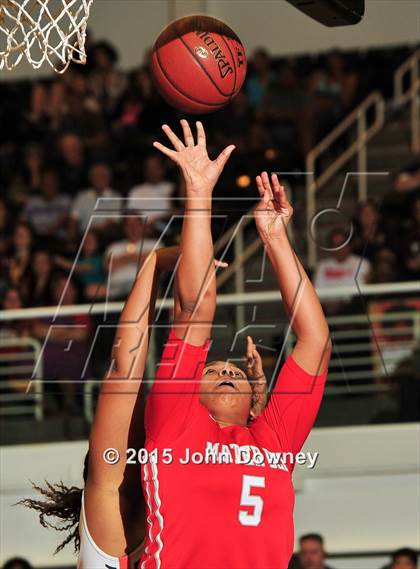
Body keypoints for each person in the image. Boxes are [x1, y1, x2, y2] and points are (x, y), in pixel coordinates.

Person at [136, 120, 330, 568]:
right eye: (214, 370)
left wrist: (275, 239)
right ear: (191, 393)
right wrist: (199, 194)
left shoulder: (274, 438)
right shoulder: (175, 426)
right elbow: (194, 308)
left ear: (252, 396)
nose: (225, 371)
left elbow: (315, 340)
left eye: (235, 372)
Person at [313, 227, 371, 314]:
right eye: (335, 245)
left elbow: (360, 288)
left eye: (342, 244)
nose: (339, 248)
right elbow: (317, 290)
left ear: (349, 245)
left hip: (351, 309)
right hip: (325, 309)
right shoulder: (322, 266)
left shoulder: (362, 263)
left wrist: (340, 303)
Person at [70, 162, 122, 239]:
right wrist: (70, 241)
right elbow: (73, 220)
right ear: (90, 178)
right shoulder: (81, 197)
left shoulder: (117, 197)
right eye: (96, 176)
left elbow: (114, 223)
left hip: (107, 238)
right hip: (84, 238)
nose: (99, 179)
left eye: (103, 176)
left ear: (109, 178)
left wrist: (93, 230)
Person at [127, 154, 175, 234]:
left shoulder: (171, 188)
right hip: (140, 231)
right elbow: (131, 215)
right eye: (148, 167)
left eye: (155, 167)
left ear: (162, 169)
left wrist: (157, 221)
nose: (151, 170)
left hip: (166, 230)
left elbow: (179, 211)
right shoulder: (136, 191)